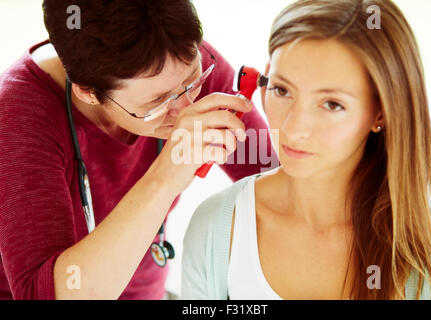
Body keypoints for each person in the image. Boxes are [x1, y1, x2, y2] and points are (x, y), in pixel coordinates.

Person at [0, 0, 277, 300]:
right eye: (157, 104)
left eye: (193, 80)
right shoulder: (17, 118)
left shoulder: (170, 57)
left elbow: (276, 176)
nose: (185, 109)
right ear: (88, 92)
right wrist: (165, 176)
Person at [182, 0, 431, 300]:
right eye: (282, 90)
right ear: (266, 77)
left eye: (332, 104)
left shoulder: (430, 250)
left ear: (381, 113)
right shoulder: (216, 229)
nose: (294, 128)